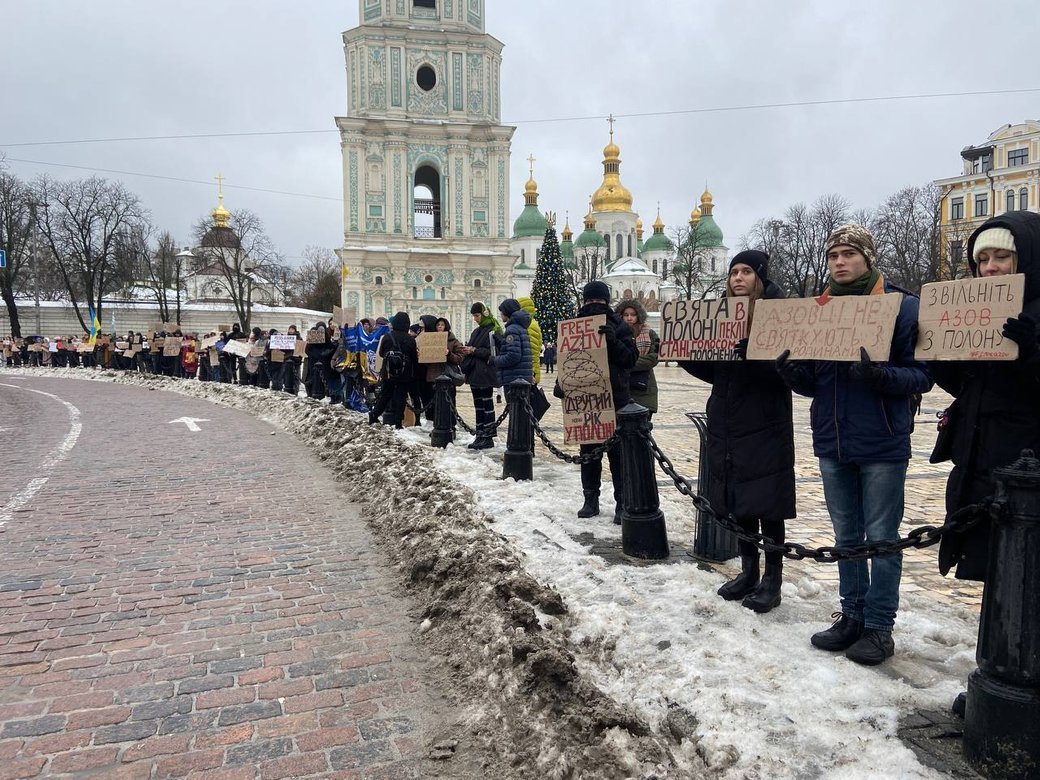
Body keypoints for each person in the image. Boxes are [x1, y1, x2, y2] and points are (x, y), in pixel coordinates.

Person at [776, 224, 932, 665]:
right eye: (833, 255)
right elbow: (816, 382)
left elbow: (922, 375)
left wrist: (881, 376)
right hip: (832, 440)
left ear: (867, 257)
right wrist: (791, 373)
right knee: (846, 535)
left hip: (882, 440)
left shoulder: (901, 307)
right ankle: (852, 615)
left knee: (881, 537)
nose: (839, 262)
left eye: (848, 253)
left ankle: (880, 626)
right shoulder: (819, 309)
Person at [926, 211, 1040, 715]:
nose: (991, 268)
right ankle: (994, 676)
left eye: (1003, 257)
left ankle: (1019, 687)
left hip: (1027, 474)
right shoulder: (979, 312)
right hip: (984, 463)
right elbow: (975, 387)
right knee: (1000, 578)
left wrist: (1031, 353)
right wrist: (940, 356)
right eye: (983, 259)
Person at [679, 251, 795, 613]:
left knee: (768, 505)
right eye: (734, 272)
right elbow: (720, 373)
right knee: (739, 501)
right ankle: (749, 571)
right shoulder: (723, 318)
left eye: (746, 272)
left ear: (759, 277)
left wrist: (757, 357)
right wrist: (686, 356)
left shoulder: (779, 314)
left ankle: (772, 580)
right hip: (728, 422)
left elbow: (789, 374)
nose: (738, 278)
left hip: (765, 422)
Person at [565, 281, 639, 521]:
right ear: (584, 301)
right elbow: (567, 360)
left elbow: (630, 359)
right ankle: (590, 499)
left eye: (598, 300)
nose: (594, 304)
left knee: (617, 455)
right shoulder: (574, 326)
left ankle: (621, 502)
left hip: (615, 398)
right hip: (585, 400)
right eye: (590, 300)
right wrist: (562, 384)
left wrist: (613, 342)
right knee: (589, 453)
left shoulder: (619, 326)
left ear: (606, 301)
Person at [460, 303, 502, 450]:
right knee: (478, 406)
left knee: (487, 404)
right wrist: (466, 350)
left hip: (485, 373)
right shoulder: (476, 331)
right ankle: (480, 434)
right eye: (473, 316)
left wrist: (474, 350)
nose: (475, 319)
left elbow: (495, 351)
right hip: (474, 374)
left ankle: (488, 436)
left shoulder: (493, 330)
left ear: (484, 314)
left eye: (477, 315)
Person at [368, 312, 418, 428]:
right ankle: (398, 422)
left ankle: (374, 414)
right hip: (404, 373)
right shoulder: (410, 340)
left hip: (388, 372)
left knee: (385, 395)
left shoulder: (387, 337)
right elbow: (414, 358)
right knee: (401, 396)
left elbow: (380, 353)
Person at [616, 298, 660, 419]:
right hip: (622, 390)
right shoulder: (615, 334)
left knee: (642, 432)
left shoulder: (649, 333)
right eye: (626, 315)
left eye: (633, 315)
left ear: (638, 316)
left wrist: (627, 363)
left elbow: (654, 358)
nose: (629, 318)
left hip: (644, 390)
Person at [493, 299, 534, 387]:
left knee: (514, 401)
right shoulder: (521, 327)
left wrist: (494, 360)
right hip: (521, 378)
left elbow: (513, 356)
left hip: (514, 380)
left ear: (506, 312)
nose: (500, 314)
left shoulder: (512, 330)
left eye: (502, 312)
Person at [517, 297, 543, 386]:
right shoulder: (529, 324)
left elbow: (531, 351)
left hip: (530, 372)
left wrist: (530, 373)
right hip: (530, 371)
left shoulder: (530, 326)